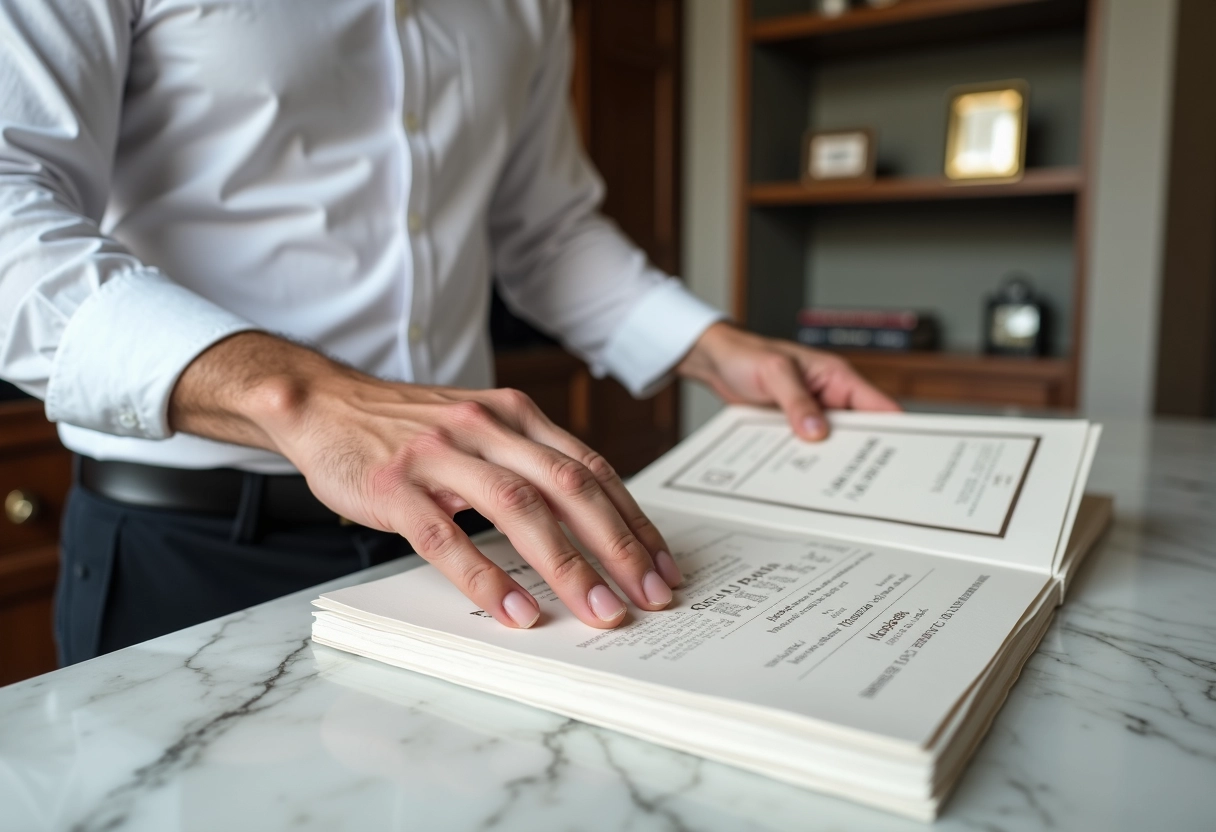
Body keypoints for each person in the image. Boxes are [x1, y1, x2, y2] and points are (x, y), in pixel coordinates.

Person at [0, 0, 898, 665]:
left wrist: (713, 344)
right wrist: (299, 397)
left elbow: (546, 232)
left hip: (459, 541)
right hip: (186, 548)